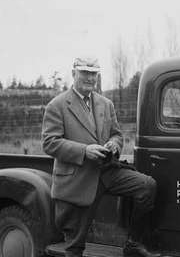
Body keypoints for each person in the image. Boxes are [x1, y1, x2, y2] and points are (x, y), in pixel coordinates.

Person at [42, 57, 160, 257]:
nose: (89, 78)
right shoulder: (58, 105)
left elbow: (117, 134)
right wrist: (84, 151)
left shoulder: (106, 104)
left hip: (107, 172)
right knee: (74, 245)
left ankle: (133, 244)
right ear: (73, 74)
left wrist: (114, 144)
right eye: (84, 72)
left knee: (147, 186)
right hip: (79, 177)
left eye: (93, 73)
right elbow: (49, 143)